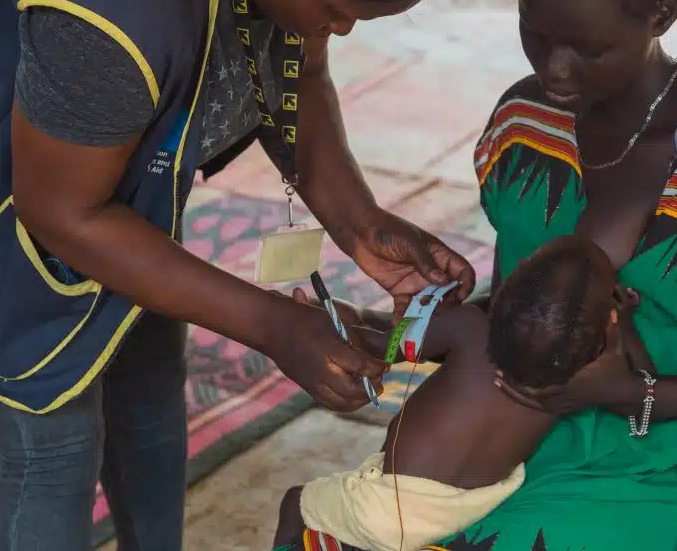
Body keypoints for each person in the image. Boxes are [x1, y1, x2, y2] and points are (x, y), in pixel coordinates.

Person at [0, 0, 473, 548]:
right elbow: (64, 215)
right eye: (337, 10)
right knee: (54, 442)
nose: (343, 30)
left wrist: (363, 223)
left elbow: (297, 69)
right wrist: (273, 325)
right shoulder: (119, 1)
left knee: (148, 378)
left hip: (98, 113)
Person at [441, 0, 677, 549]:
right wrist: (425, 327)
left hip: (665, 456)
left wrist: (630, 392)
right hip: (510, 428)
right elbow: (536, 298)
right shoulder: (524, 124)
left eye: (588, 48)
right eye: (535, 33)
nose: (554, 70)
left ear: (662, 15)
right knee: (339, 520)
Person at [271, 235, 639, 551]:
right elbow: (638, 378)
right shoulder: (581, 377)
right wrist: (622, 328)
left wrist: (337, 321)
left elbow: (390, 346)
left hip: (384, 510)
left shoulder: (469, 326)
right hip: (465, 513)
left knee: (296, 501)